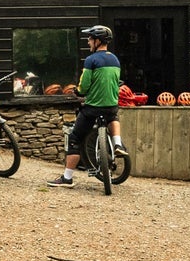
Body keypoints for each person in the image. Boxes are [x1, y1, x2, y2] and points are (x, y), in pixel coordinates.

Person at [47, 25, 129, 188]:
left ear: (98, 41)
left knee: (75, 138)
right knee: (113, 116)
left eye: (90, 39)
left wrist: (78, 91)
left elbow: (84, 86)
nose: (88, 41)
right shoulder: (115, 59)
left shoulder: (92, 60)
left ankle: (67, 178)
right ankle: (117, 143)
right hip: (111, 106)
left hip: (93, 107)